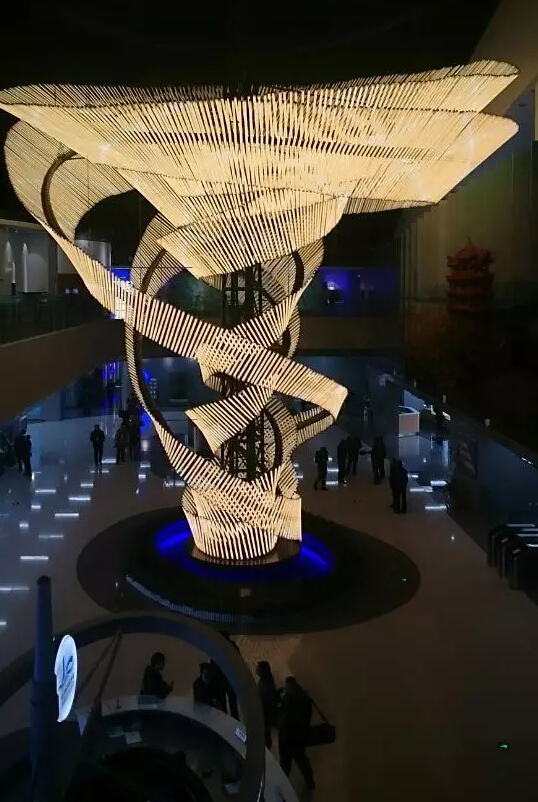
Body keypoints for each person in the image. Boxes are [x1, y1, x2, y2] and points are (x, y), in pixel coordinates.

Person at [278, 677, 315, 790]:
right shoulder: (304, 699)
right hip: (299, 735)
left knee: (285, 763)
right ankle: (310, 781)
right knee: (301, 759)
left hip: (288, 736)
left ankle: (281, 785)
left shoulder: (288, 698)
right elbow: (307, 717)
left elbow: (284, 717)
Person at [210, 632, 240, 719]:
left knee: (223, 706)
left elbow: (213, 665)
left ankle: (226, 723)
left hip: (220, 680)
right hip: (230, 679)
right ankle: (234, 723)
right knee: (233, 705)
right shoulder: (232, 646)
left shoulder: (216, 647)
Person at [256, 661, 279, 749]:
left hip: (265, 716)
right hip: (265, 717)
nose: (256, 669)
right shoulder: (266, 683)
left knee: (265, 738)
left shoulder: (264, 686)